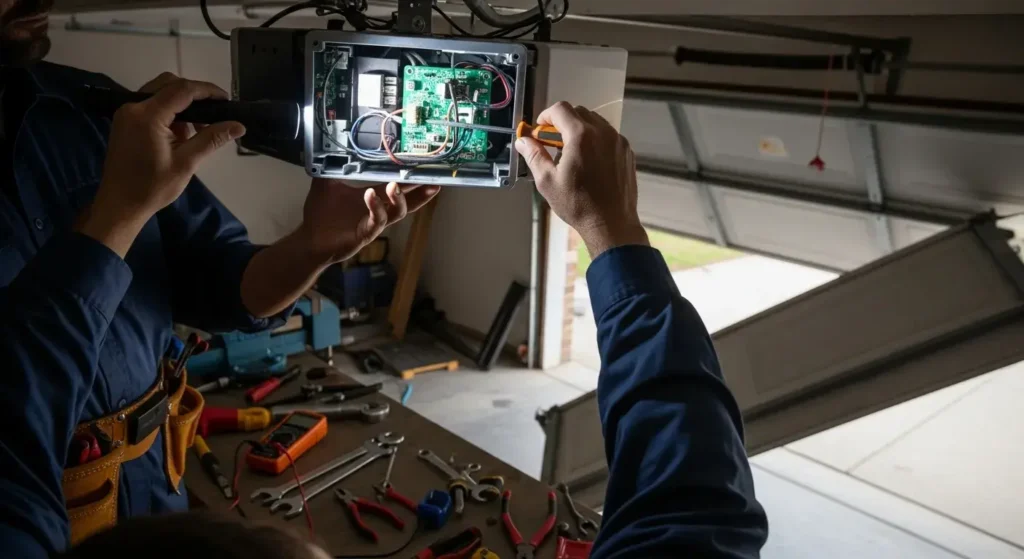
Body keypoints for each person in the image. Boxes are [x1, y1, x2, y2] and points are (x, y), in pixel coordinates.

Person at [0, 0, 437, 555]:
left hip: (155, 482)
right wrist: (117, 213)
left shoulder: (89, 108)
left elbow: (223, 283)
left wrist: (312, 247)